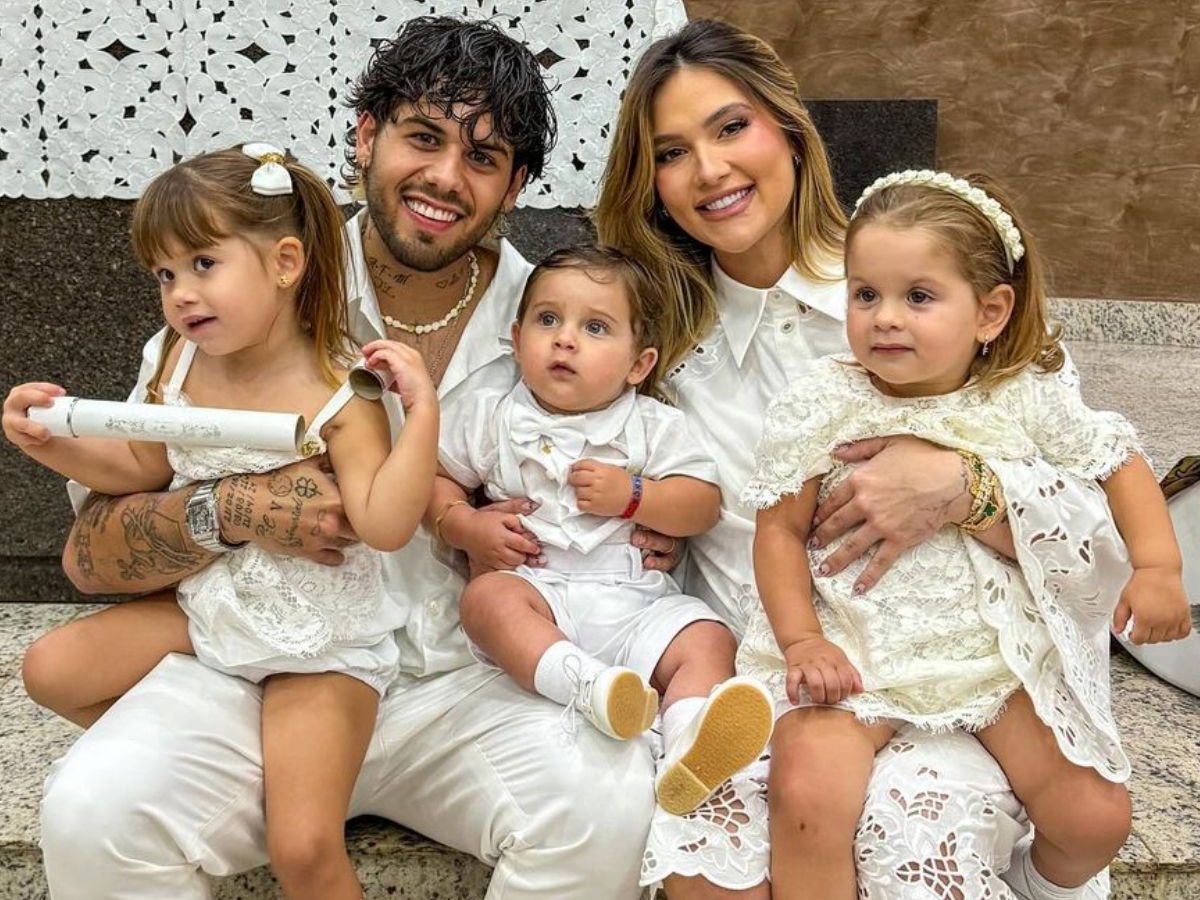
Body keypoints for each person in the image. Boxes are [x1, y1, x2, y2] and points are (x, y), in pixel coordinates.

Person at [29, 18, 666, 900]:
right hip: (254, 669)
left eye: (483, 159)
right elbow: (91, 551)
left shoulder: (565, 317)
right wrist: (235, 510)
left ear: (515, 184)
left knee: (610, 807)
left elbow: (667, 480)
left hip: (468, 685)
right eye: (423, 136)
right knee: (92, 814)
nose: (445, 176)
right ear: (366, 135)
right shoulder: (245, 293)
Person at [595, 18, 1140, 900]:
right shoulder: (655, 351)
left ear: (789, 129)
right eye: (672, 152)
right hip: (768, 678)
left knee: (911, 839)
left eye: (732, 127)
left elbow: (1110, 533)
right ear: (651, 183)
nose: (709, 171)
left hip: (953, 684)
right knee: (708, 874)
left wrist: (967, 490)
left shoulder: (934, 285)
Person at [4, 143, 441, 900]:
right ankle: (218, 772)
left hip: (317, 640)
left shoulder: (340, 386)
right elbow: (142, 468)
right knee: (50, 668)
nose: (179, 293)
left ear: (284, 261)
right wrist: (50, 445)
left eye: (203, 264)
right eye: (165, 274)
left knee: (303, 848)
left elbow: (384, 523)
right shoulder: (178, 360)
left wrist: (422, 412)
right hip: (218, 606)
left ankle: (301, 763)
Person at [741, 169, 1191, 900]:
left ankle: (1043, 883)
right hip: (856, 659)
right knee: (808, 793)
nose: (884, 317)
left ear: (990, 311)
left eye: (918, 296)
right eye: (865, 294)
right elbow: (778, 530)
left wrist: (1158, 566)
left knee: (1096, 816)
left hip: (989, 665)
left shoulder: (1022, 396)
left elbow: (1119, 460)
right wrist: (801, 641)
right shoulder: (823, 401)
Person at [439, 245, 773, 815]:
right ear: (516, 340)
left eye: (595, 327)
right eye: (548, 320)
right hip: (538, 588)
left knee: (707, 639)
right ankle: (589, 689)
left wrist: (636, 496)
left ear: (638, 364)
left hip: (634, 596)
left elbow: (702, 505)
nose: (565, 339)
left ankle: (691, 741)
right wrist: (464, 524)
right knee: (486, 600)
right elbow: (435, 476)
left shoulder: (651, 424)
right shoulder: (491, 413)